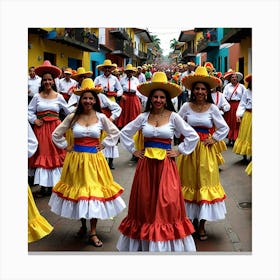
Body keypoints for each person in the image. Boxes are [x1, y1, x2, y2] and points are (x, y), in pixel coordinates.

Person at [116, 72, 199, 252]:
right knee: (145, 202)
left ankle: (165, 242)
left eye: (162, 97)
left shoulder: (174, 117)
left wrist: (179, 150)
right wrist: (133, 150)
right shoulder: (143, 117)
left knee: (167, 202)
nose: (158, 100)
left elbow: (193, 136)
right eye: (155, 97)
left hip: (166, 165)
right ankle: (145, 242)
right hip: (146, 166)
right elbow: (125, 132)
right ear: (150, 98)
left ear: (166, 99)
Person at [48, 78, 126, 247]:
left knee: (94, 194)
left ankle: (93, 232)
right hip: (75, 161)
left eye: (91, 98)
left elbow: (115, 133)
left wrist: (103, 144)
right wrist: (66, 147)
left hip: (95, 161)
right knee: (80, 194)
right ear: (80, 100)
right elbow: (56, 134)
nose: (88, 101)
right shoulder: (72, 117)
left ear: (95, 100)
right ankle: (83, 226)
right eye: (85, 98)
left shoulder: (101, 117)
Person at [177, 66, 229, 241]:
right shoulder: (185, 106)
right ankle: (189, 221)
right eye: (197, 88)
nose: (200, 92)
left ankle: (201, 226)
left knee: (204, 184)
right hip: (188, 151)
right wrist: (180, 137)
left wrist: (213, 139)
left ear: (208, 91)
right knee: (189, 183)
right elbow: (176, 124)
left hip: (206, 151)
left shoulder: (212, 108)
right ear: (192, 90)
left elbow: (224, 127)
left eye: (203, 89)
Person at [28, 60, 70, 197]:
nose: (47, 82)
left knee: (55, 155)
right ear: (42, 82)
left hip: (55, 130)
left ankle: (56, 186)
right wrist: (34, 119)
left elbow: (68, 111)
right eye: (45, 80)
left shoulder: (59, 97)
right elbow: (28, 111)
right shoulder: (36, 97)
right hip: (40, 130)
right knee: (43, 155)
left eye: (49, 80)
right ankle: (44, 187)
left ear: (53, 82)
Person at [94, 59, 123, 169]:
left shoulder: (114, 78)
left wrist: (116, 94)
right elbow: (94, 89)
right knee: (100, 134)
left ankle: (110, 161)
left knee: (110, 132)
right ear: (102, 70)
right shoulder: (98, 79)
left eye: (109, 68)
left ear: (111, 70)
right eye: (105, 68)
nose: (107, 70)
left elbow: (120, 89)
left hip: (110, 102)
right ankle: (101, 158)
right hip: (99, 103)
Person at [28, 122, 54, 243]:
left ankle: (48, 188)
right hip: (42, 129)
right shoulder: (36, 101)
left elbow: (31, 142)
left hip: (50, 130)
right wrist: (34, 119)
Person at [223, 70, 246, 146]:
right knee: (229, 122)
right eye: (232, 77)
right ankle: (229, 138)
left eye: (235, 77)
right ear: (230, 79)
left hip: (238, 105)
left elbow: (245, 96)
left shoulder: (242, 87)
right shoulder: (227, 86)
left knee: (237, 123)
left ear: (237, 78)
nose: (234, 79)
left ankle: (236, 138)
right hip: (230, 105)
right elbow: (224, 96)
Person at [115, 64, 142, 130]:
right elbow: (119, 88)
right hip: (125, 98)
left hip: (133, 97)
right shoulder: (122, 80)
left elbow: (138, 89)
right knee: (124, 112)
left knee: (134, 112)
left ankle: (133, 127)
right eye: (128, 71)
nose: (129, 73)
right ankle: (123, 127)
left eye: (131, 71)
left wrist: (139, 97)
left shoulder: (136, 80)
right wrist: (121, 95)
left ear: (133, 72)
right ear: (126, 72)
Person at [233, 74, 252, 162]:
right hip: (248, 116)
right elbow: (242, 104)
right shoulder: (247, 92)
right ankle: (244, 156)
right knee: (245, 134)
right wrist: (239, 115)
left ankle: (252, 156)